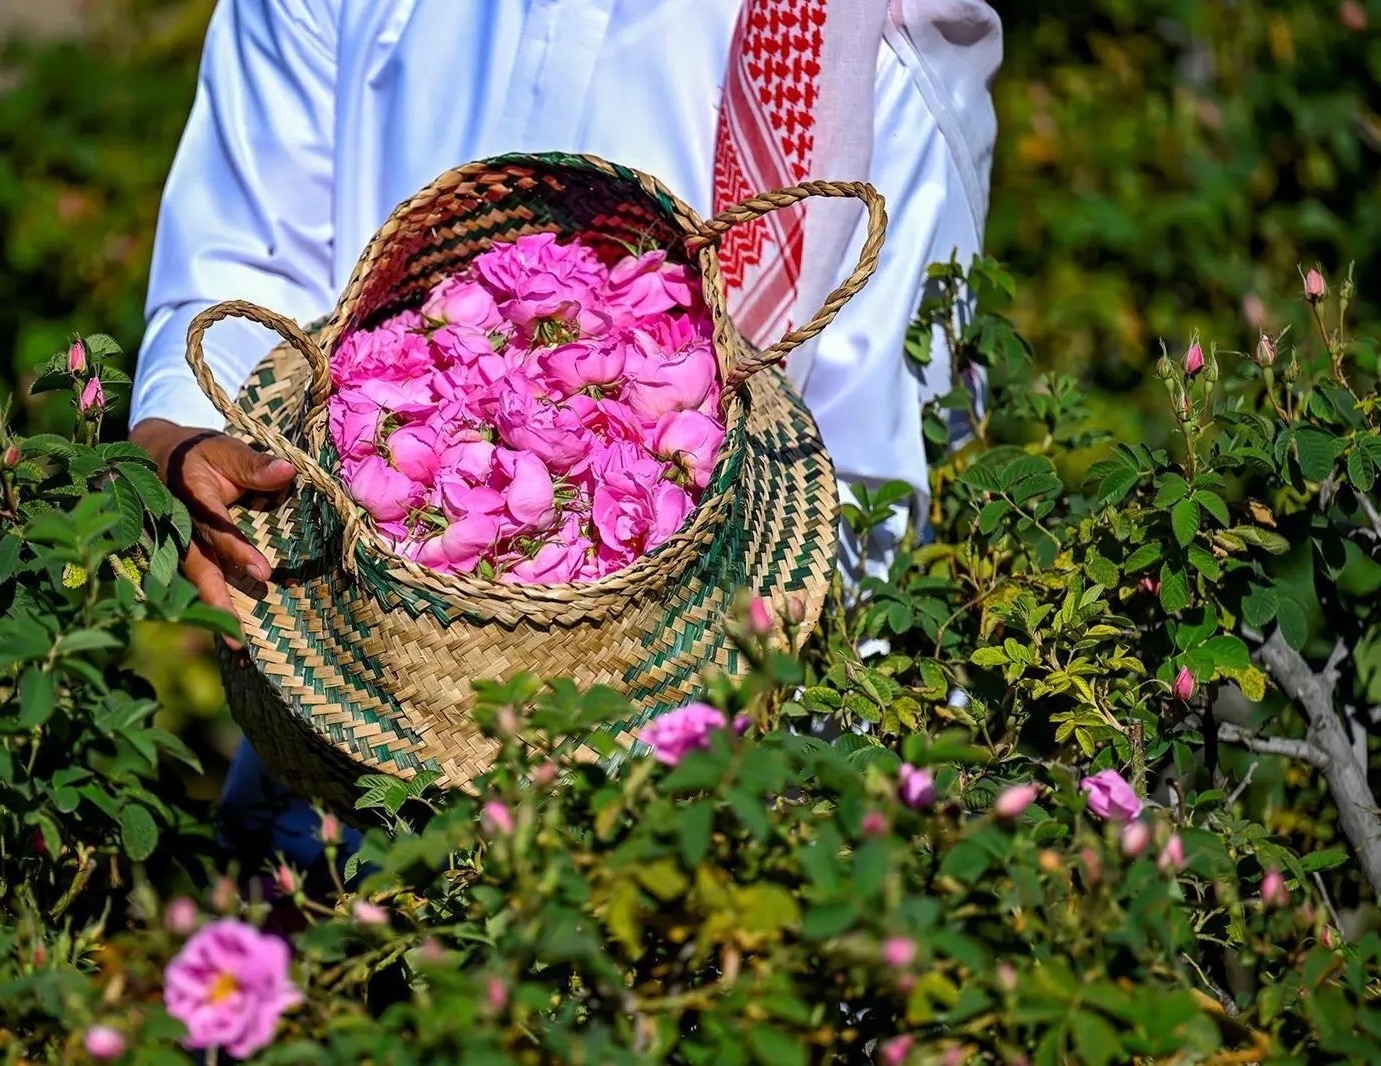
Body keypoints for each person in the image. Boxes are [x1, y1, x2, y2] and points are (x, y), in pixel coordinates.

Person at [129, 0, 1002, 869]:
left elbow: (873, 485)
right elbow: (236, 261)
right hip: (349, 698)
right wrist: (187, 442)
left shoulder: (852, 26)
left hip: (693, 805)